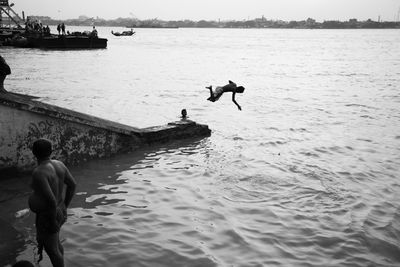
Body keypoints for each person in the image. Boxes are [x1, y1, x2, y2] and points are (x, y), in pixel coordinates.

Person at [28, 139, 77, 267]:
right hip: (58, 210)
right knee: (56, 245)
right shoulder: (59, 164)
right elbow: (72, 185)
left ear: (33, 152)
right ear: (51, 151)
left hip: (49, 215)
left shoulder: (39, 172)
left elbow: (50, 200)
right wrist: (65, 206)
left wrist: (52, 220)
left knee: (52, 250)